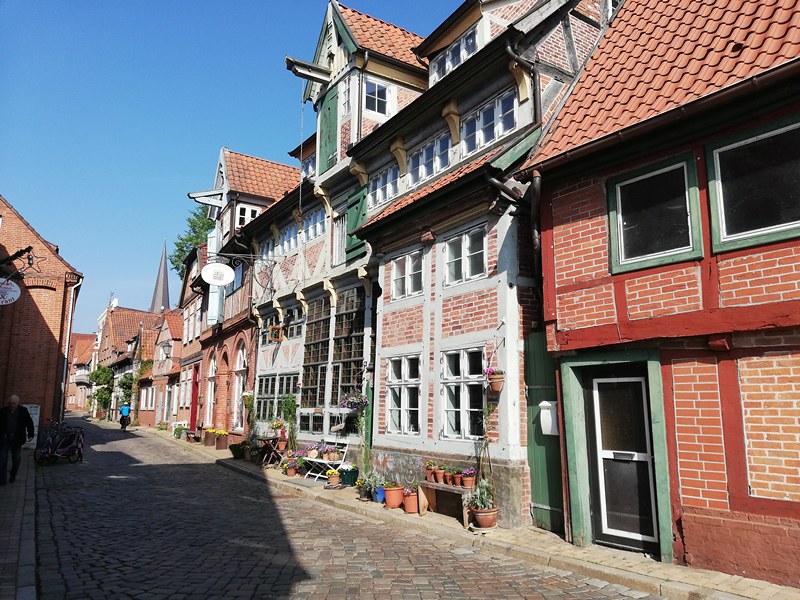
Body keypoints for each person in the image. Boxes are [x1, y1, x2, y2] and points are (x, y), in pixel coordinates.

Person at [0, 394, 35, 485]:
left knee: (16, 458)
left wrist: (31, 434)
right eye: (11, 403)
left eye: (14, 404)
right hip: (5, 438)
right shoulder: (3, 411)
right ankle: (2, 479)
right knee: (2, 458)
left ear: (18, 403)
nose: (12, 405)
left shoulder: (23, 411)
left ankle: (13, 475)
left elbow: (29, 423)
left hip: (17, 438)